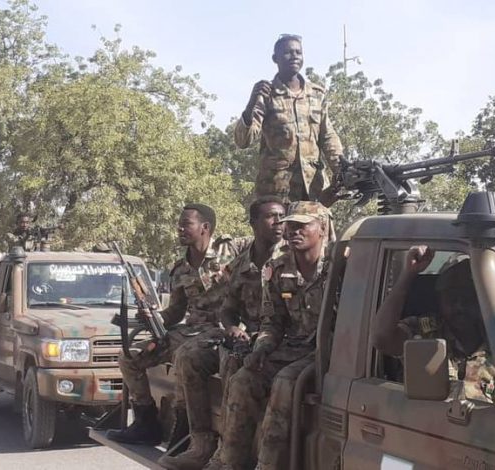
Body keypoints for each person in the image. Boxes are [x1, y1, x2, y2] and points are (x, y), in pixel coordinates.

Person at [158, 197, 286, 470]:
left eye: (281, 217)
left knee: (235, 366)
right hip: (243, 336)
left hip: (278, 338)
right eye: (271, 217)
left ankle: (231, 453)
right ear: (254, 224)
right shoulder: (240, 264)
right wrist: (232, 327)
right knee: (189, 356)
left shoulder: (289, 258)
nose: (279, 223)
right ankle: (201, 443)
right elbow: (228, 309)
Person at [107, 204, 247, 451]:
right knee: (129, 356)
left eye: (186, 224)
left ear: (205, 227)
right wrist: (153, 317)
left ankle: (185, 429)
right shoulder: (180, 268)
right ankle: (145, 421)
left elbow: (264, 243)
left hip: (222, 330)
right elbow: (176, 312)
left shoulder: (231, 249)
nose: (180, 229)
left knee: (185, 356)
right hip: (191, 331)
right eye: (179, 224)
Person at [217, 201, 331, 470]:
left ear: (322, 229)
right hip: (292, 348)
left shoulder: (339, 267)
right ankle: (229, 462)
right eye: (291, 225)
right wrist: (262, 349)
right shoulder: (278, 269)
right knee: (243, 379)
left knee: (284, 381)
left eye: (303, 225)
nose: (294, 231)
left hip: (329, 350)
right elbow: (272, 322)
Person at [371, 246, 495, 404]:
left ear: (480, 297)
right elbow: (382, 338)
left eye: (466, 295)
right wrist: (408, 274)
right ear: (440, 300)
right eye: (452, 296)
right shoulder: (425, 332)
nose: (459, 306)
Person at [235, 35, 343, 206]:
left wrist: (342, 170)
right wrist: (251, 104)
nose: (294, 57)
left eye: (298, 52)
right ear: (275, 58)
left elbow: (328, 136)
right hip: (276, 191)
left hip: (314, 189)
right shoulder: (266, 93)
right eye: (287, 53)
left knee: (316, 224)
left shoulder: (317, 94)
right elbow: (243, 140)